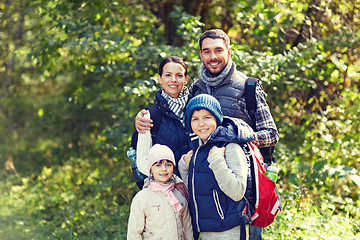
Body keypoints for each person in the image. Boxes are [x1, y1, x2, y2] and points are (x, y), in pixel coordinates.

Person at [135, 29, 279, 239]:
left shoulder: (247, 87)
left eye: (218, 50)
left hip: (241, 192)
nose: (213, 57)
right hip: (205, 195)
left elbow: (271, 135)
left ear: (229, 52)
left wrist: (236, 138)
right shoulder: (196, 88)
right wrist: (141, 119)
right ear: (201, 55)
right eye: (207, 51)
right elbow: (172, 109)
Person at [179, 94, 253, 240]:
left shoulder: (230, 146)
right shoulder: (199, 149)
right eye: (195, 119)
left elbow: (237, 191)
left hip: (229, 229)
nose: (201, 124)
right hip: (207, 230)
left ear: (216, 118)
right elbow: (194, 191)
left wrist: (217, 160)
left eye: (207, 117)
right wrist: (184, 166)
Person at [133, 56, 191, 180]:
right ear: (160, 78)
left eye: (179, 75)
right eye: (168, 75)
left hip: (199, 187)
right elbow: (143, 161)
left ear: (186, 79)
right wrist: (173, 181)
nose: (173, 80)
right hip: (167, 190)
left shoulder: (197, 109)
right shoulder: (150, 115)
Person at [127, 144, 194, 239]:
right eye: (158, 165)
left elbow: (187, 228)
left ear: (173, 168)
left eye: (168, 165)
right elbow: (134, 233)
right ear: (150, 170)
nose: (164, 169)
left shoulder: (179, 196)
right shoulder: (142, 198)